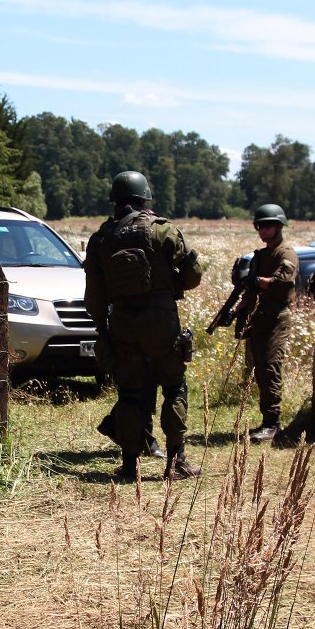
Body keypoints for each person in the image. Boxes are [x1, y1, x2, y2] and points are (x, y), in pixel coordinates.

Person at [84, 171, 203, 480]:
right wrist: (171, 286)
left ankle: (129, 464)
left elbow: (94, 295)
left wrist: (103, 331)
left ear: (115, 201)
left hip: (122, 321)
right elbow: (192, 277)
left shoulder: (101, 238)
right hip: (161, 319)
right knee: (174, 385)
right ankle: (176, 462)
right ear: (144, 198)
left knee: (130, 391)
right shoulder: (161, 231)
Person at [235, 203, 298, 444]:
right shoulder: (260, 256)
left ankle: (273, 423)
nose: (264, 229)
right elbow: (250, 292)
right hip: (258, 318)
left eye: (269, 225)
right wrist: (240, 307)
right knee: (260, 369)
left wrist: (256, 281)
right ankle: (267, 420)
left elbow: (283, 282)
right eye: (260, 225)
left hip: (276, 318)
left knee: (271, 367)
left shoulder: (286, 253)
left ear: (279, 226)